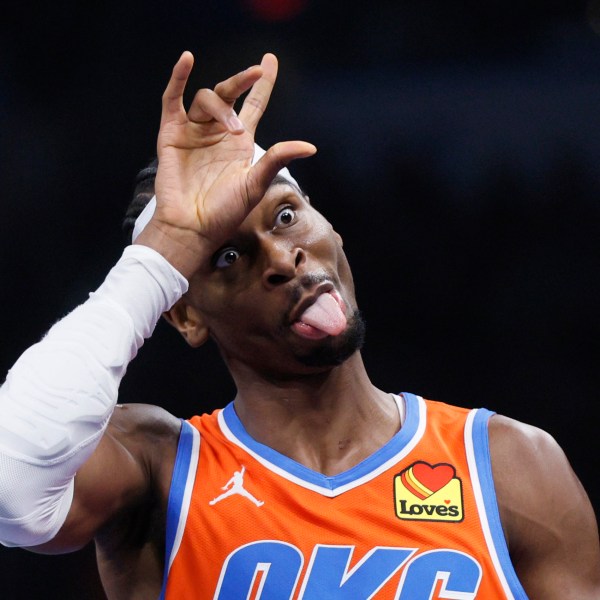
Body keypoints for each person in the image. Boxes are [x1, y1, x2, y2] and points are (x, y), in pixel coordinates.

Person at [0, 50, 599, 600]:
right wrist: (164, 253)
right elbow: (10, 485)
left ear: (331, 228)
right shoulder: (155, 474)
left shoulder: (509, 467)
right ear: (184, 315)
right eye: (228, 256)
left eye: (287, 216)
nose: (283, 259)